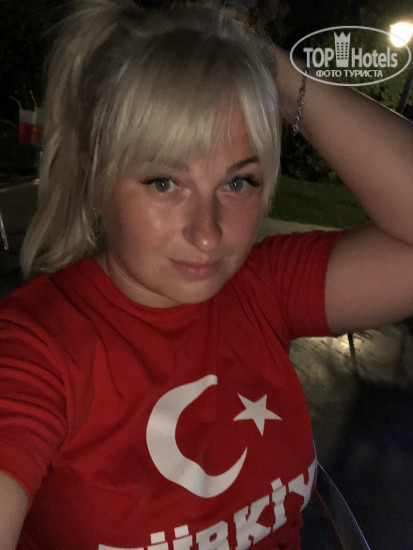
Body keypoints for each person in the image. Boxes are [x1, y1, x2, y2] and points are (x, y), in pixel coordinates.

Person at [0, 1, 412, 548]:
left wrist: (270, 70)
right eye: (165, 183)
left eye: (237, 183)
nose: (208, 234)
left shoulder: (264, 288)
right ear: (95, 180)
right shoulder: (35, 348)